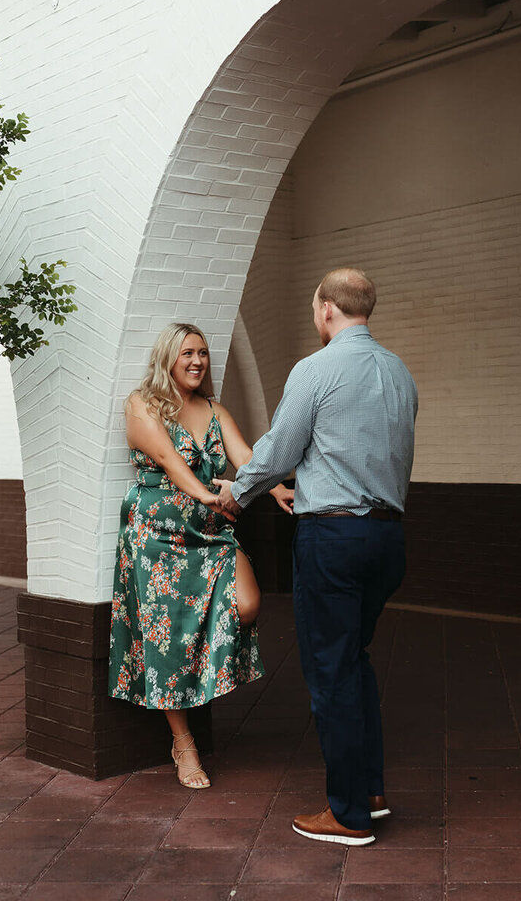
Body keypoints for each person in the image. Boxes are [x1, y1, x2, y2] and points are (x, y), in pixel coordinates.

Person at [213, 268, 418, 844]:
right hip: (387, 538)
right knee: (355, 661)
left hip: (334, 538)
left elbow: (281, 448)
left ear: (326, 309)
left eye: (313, 308)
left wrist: (237, 491)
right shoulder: (399, 373)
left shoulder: (316, 368)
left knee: (331, 671)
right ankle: (370, 792)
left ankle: (348, 814)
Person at [108, 321, 294, 789]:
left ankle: (200, 679)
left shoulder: (214, 408)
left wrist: (272, 492)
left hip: (208, 533)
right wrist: (211, 497)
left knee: (247, 605)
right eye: (187, 352)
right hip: (156, 534)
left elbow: (246, 458)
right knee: (166, 639)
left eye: (203, 353)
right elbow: (170, 461)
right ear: (168, 357)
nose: (197, 361)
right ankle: (183, 743)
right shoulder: (142, 403)